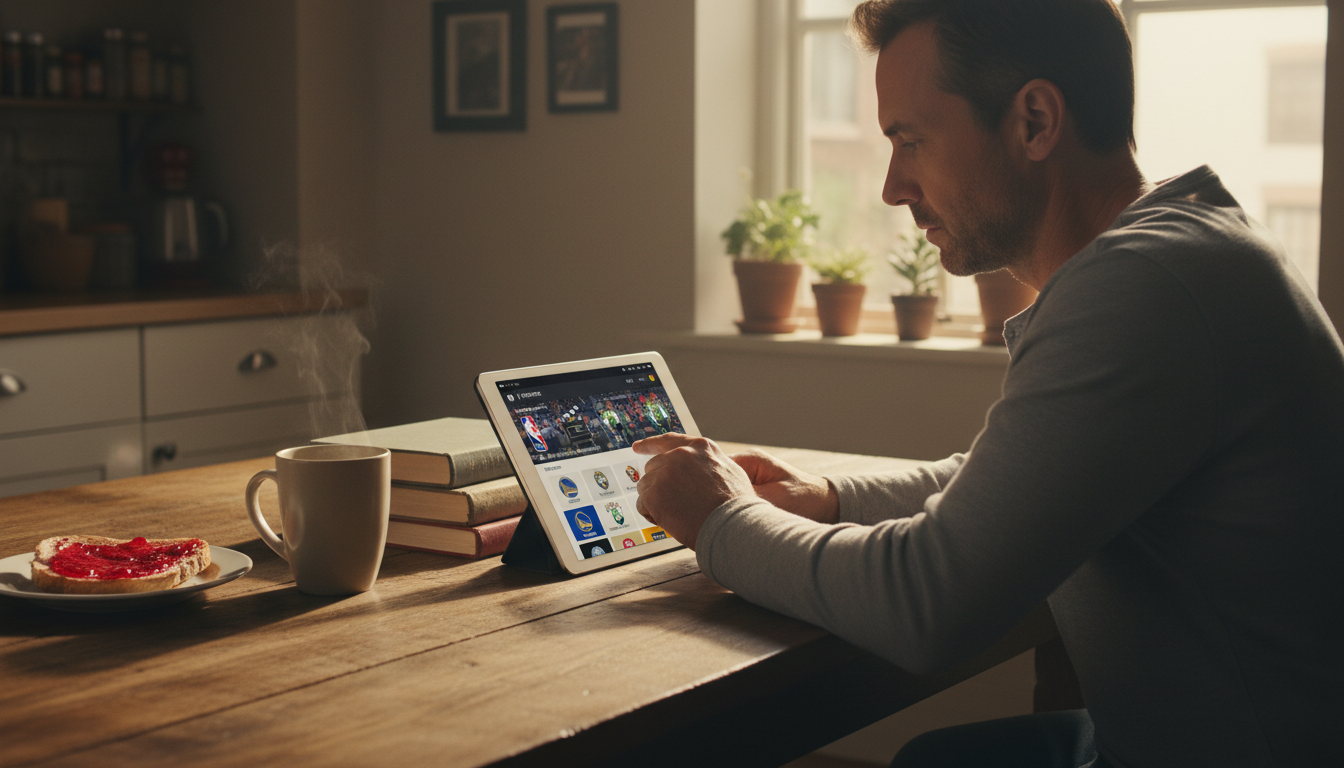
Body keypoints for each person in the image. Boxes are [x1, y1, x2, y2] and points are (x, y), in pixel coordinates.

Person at [631, 1, 1344, 766]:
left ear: (1035, 120)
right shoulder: (1189, 247)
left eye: (910, 140)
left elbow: (927, 602)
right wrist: (832, 500)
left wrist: (718, 521)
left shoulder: (1143, 285)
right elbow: (1015, 484)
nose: (892, 186)